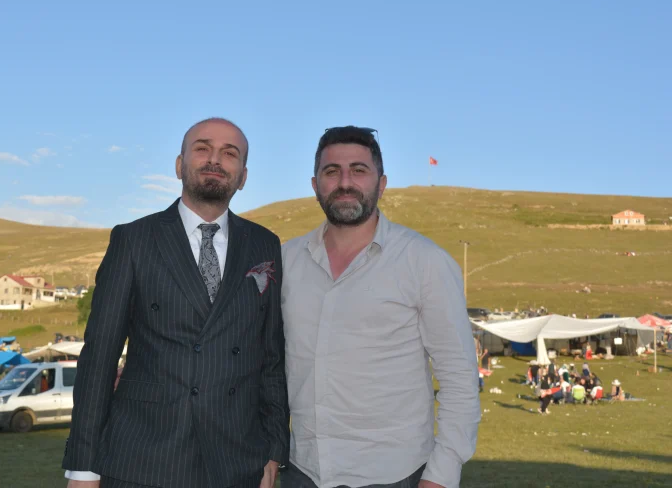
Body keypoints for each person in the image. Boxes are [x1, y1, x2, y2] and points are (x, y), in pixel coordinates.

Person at [62, 118, 289, 488]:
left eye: (229, 153)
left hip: (238, 461)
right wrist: (83, 469)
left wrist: (274, 448)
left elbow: (271, 358)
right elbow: (99, 357)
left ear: (243, 177)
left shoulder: (265, 244)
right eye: (202, 148)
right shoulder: (134, 239)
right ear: (180, 165)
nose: (215, 159)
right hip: (143, 459)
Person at [280, 126, 480, 488]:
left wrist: (443, 473)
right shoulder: (287, 261)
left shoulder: (424, 261)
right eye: (331, 171)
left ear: (382, 183)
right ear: (315, 185)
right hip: (303, 471)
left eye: (358, 170)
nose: (345, 182)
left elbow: (458, 375)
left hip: (394, 474)